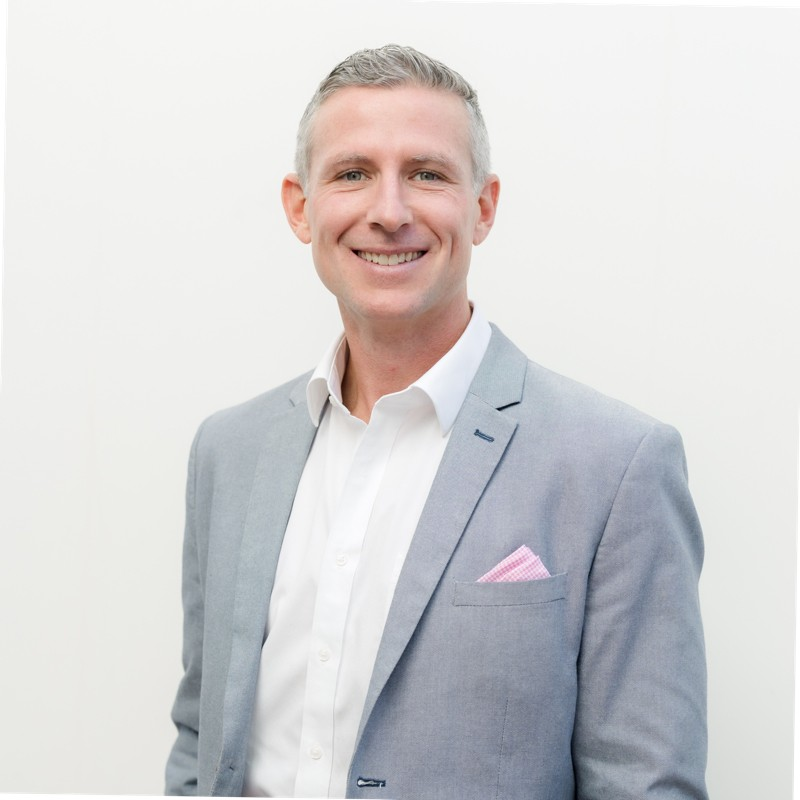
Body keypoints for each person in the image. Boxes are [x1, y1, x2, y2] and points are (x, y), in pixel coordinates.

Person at [165, 44, 707, 799]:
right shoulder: (228, 452)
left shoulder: (617, 466)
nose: (389, 212)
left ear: (483, 207)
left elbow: (644, 782)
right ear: (300, 206)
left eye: (426, 174)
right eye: (352, 173)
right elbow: (201, 738)